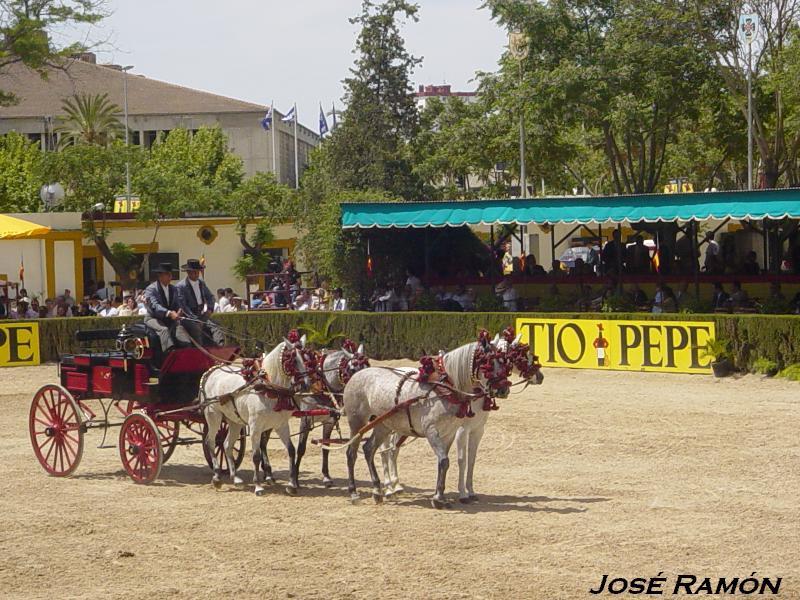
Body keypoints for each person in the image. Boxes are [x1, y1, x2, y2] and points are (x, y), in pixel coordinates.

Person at [175, 258, 224, 346]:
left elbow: (210, 297)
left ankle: (219, 347)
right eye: (194, 272)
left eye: (198, 272)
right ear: (188, 272)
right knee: (196, 328)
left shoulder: (201, 283)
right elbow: (183, 306)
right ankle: (201, 350)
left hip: (201, 315)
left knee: (215, 326)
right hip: (188, 317)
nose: (197, 274)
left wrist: (210, 309)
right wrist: (196, 320)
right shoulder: (181, 286)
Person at [143, 263, 184, 352]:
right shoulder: (151, 289)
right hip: (153, 318)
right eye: (167, 274)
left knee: (183, 328)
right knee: (164, 330)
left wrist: (179, 311)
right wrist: (169, 313)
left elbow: (178, 303)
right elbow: (154, 306)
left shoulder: (174, 289)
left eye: (170, 274)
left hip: (170, 319)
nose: (170, 277)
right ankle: (169, 353)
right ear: (160, 276)